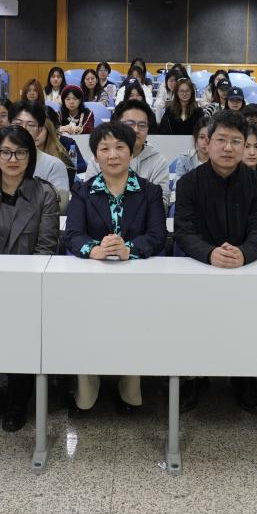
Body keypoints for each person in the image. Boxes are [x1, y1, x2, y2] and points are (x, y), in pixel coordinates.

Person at [173, 110, 257, 413]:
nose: (228, 148)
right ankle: (194, 376)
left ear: (244, 145)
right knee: (194, 324)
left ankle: (244, 377)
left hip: (244, 267)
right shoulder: (189, 183)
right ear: (207, 142)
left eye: (236, 141)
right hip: (200, 267)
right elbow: (184, 230)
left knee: (247, 324)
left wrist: (244, 253)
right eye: (221, 140)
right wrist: (209, 253)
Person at [64, 121, 167, 415]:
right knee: (87, 331)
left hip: (136, 280)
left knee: (133, 330)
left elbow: (157, 236)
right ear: (95, 155)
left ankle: (130, 391)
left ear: (131, 152)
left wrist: (128, 250)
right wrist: (94, 249)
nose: (113, 154)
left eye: (120, 147)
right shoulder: (82, 191)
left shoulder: (149, 191)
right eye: (105, 148)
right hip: (92, 280)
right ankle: (87, 393)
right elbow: (73, 235)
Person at [0, 125, 60, 431]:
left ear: (30, 157)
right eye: (5, 152)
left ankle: (18, 401)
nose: (13, 159)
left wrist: (21, 286)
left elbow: (46, 247)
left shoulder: (45, 194)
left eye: (20, 152)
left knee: (24, 334)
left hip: (29, 286)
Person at [0, 101, 70, 207]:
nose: (23, 129)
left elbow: (59, 205)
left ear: (39, 130)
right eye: (18, 124)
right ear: (9, 125)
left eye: (30, 125)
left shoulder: (54, 165)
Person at [79, 99, 171, 203]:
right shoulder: (100, 159)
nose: (136, 130)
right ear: (116, 125)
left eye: (142, 125)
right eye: (130, 124)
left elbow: (161, 203)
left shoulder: (159, 162)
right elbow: (88, 197)